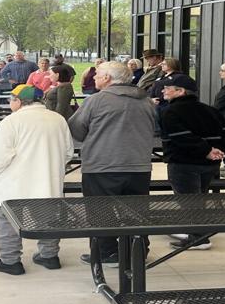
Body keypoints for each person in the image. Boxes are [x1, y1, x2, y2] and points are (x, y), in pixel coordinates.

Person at [66, 61, 157, 268]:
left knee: (100, 212)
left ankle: (107, 253)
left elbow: (77, 129)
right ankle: (138, 251)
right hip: (139, 166)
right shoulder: (146, 101)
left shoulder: (96, 101)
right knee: (138, 212)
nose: (94, 77)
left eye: (97, 74)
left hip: (102, 165)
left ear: (107, 78)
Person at [0, 83, 72, 275]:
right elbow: (68, 153)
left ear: (18, 101)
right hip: (48, 182)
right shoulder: (58, 119)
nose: (9, 103)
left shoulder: (12, 122)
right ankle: (49, 256)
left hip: (14, 184)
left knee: (8, 222)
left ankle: (10, 261)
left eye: (11, 99)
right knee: (49, 221)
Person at [158, 73, 225, 248]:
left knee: (189, 201)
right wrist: (218, 151)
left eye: (167, 88)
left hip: (183, 164)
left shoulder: (170, 111)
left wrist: (207, 151)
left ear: (180, 91)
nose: (163, 91)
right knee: (199, 198)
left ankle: (198, 237)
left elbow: (180, 137)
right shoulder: (210, 109)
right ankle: (192, 229)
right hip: (210, 165)